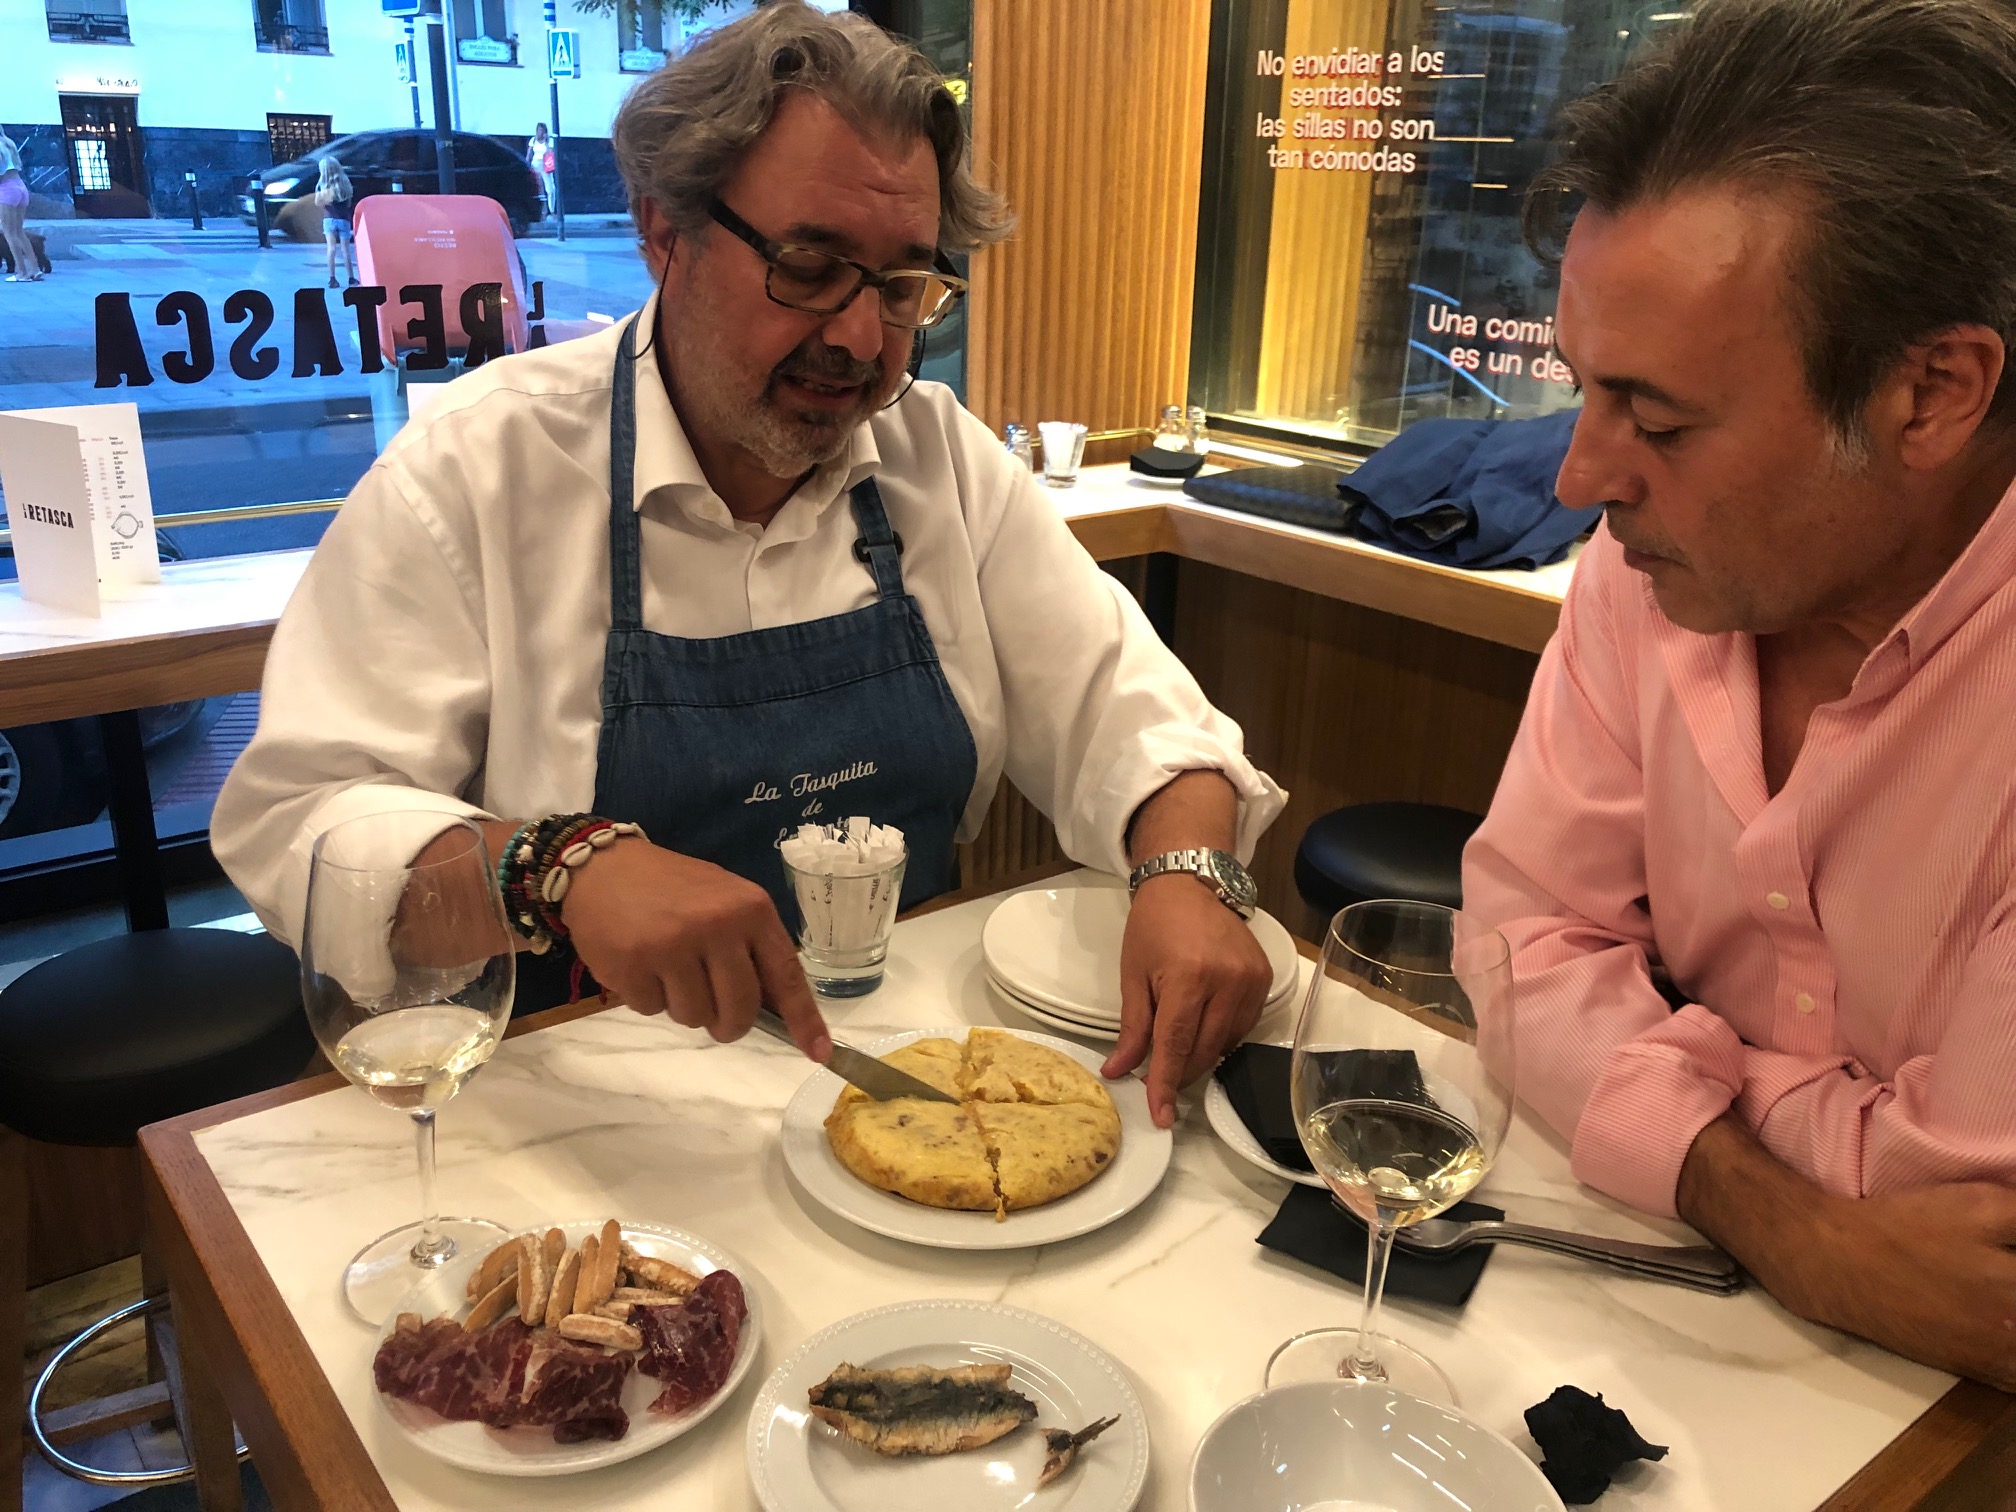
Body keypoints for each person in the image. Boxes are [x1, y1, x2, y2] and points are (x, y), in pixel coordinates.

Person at [213, 2, 1285, 1128]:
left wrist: (1188, 877)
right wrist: (556, 868)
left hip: (909, 1083)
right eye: (810, 268)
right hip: (590, 1117)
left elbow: (1130, 710)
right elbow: (301, 824)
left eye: (901, 286)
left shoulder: (936, 458)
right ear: (663, 231)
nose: (861, 342)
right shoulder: (478, 469)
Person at [1463, 0, 2016, 1389]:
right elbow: (1520, 947)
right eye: (1585, 393)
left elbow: (1978, 1225)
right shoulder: (1639, 574)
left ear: (1932, 393)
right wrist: (1799, 1229)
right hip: (1654, 1340)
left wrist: (1643, 1054)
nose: (1580, 479)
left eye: (1658, 419)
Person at [0, 130, 41, 283]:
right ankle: (35, 269)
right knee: (19, 231)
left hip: (6, 189)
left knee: (9, 233)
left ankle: (22, 273)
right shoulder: (8, 142)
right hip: (20, 187)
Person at [313, 157, 357, 288]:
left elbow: (318, 203)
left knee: (331, 249)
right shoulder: (345, 184)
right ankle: (351, 278)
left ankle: (332, 279)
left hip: (329, 219)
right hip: (343, 219)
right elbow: (348, 203)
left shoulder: (322, 186)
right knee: (345, 250)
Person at [527, 123, 557, 220]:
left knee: (550, 189)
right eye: (539, 130)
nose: (540, 132)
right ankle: (543, 212)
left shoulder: (549, 141)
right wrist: (527, 164)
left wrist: (546, 140)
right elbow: (529, 154)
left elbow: (550, 152)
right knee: (539, 189)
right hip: (535, 164)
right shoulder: (533, 140)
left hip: (546, 164)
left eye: (542, 130)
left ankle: (552, 210)